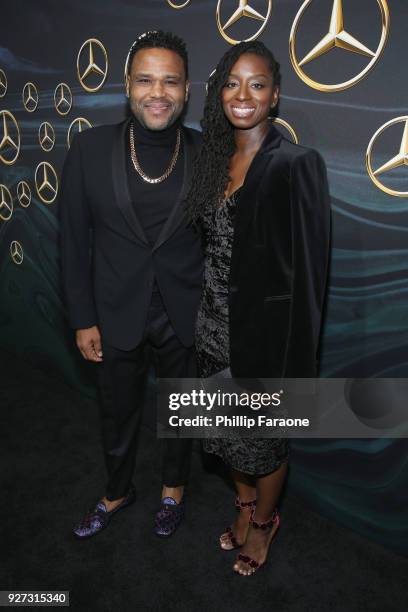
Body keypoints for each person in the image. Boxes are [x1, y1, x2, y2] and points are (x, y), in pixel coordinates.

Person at [187, 41, 330, 575]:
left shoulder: (297, 164)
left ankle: (265, 522)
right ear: (219, 91)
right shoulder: (212, 160)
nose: (242, 94)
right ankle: (243, 506)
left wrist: (294, 364)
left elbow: (311, 276)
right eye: (231, 83)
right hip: (211, 330)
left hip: (265, 343)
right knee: (227, 439)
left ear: (275, 96)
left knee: (263, 446)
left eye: (257, 84)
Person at [59, 30, 203, 539]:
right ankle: (117, 491)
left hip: (185, 313)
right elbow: (74, 241)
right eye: (145, 79)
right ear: (127, 85)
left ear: (186, 90)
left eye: (170, 81)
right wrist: (82, 318)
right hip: (114, 309)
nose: (157, 92)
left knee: (182, 411)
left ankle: (174, 490)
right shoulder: (91, 148)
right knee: (116, 410)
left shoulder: (208, 154)